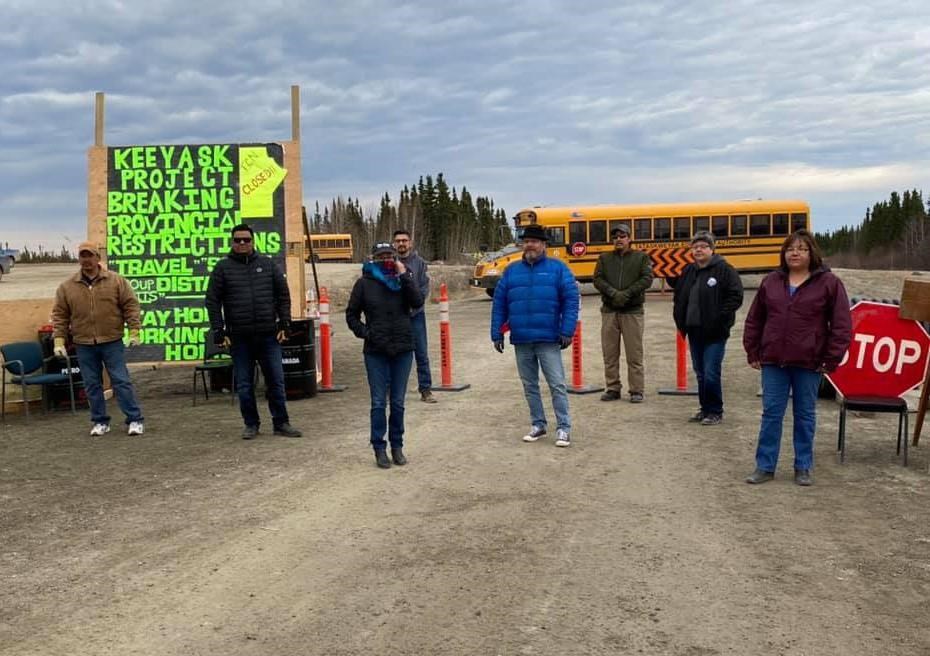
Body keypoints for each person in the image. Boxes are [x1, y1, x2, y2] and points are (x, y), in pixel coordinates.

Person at [742, 230, 851, 486]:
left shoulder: (829, 283)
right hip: (774, 361)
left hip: (809, 362)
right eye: (791, 248)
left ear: (812, 253)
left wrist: (831, 358)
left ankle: (803, 466)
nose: (795, 253)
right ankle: (765, 466)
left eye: (802, 249)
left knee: (805, 415)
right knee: (771, 414)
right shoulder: (771, 281)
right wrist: (753, 350)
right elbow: (755, 319)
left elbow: (842, 325)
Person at [205, 223, 302, 440]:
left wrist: (285, 323)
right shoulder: (222, 268)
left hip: (268, 335)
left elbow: (283, 295)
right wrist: (219, 330)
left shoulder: (267, 265)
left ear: (253, 241)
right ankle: (251, 424)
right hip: (239, 338)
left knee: (276, 381)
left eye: (246, 240)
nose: (242, 243)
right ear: (232, 242)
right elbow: (212, 301)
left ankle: (281, 423)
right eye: (237, 240)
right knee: (244, 385)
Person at [490, 224, 578, 447]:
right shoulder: (511, 271)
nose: (530, 245)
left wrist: (567, 330)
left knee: (556, 384)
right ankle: (538, 424)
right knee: (529, 385)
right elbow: (499, 303)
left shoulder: (558, 269)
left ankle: (564, 428)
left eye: (534, 241)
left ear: (543, 245)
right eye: (526, 241)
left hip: (549, 338)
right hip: (522, 338)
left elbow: (571, 300)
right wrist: (496, 332)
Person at [51, 241, 144, 436]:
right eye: (82, 256)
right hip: (83, 343)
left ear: (97, 258)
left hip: (112, 340)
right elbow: (60, 315)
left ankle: (134, 419)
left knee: (121, 381)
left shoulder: (116, 281)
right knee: (92, 384)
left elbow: (130, 305)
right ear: (79, 259)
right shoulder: (67, 287)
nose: (86, 260)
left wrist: (134, 330)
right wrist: (59, 340)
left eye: (90, 255)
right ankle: (100, 421)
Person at [346, 242, 424, 468]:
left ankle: (397, 446)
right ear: (373, 258)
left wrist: (405, 276)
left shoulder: (403, 279)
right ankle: (379, 448)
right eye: (381, 256)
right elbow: (351, 315)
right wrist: (366, 333)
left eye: (389, 255)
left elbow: (417, 302)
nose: (386, 260)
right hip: (376, 350)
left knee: (398, 402)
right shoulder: (364, 283)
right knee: (379, 402)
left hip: (402, 348)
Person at [672, 231, 744, 425]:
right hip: (694, 330)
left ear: (712, 249)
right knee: (701, 373)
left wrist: (719, 318)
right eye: (695, 247)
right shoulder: (689, 270)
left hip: (715, 333)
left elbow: (736, 296)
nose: (698, 250)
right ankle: (705, 409)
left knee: (711, 372)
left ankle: (715, 411)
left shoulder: (725, 270)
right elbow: (679, 294)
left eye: (703, 246)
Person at [592, 224, 653, 403]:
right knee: (610, 353)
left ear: (629, 238)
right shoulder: (604, 258)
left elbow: (647, 279)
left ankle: (636, 390)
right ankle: (612, 388)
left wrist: (626, 294)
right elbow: (597, 279)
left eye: (622, 236)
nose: (618, 239)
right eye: (615, 237)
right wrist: (613, 293)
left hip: (632, 311)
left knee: (634, 354)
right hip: (609, 312)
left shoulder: (641, 258)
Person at [392, 228, 436, 403]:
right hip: (396, 316)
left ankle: (426, 390)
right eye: (398, 241)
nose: (401, 243)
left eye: (404, 240)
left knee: (421, 353)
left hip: (416, 315)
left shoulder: (419, 263)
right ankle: (391, 390)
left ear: (410, 243)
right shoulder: (389, 263)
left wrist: (415, 305)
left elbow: (424, 288)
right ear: (394, 244)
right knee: (393, 353)